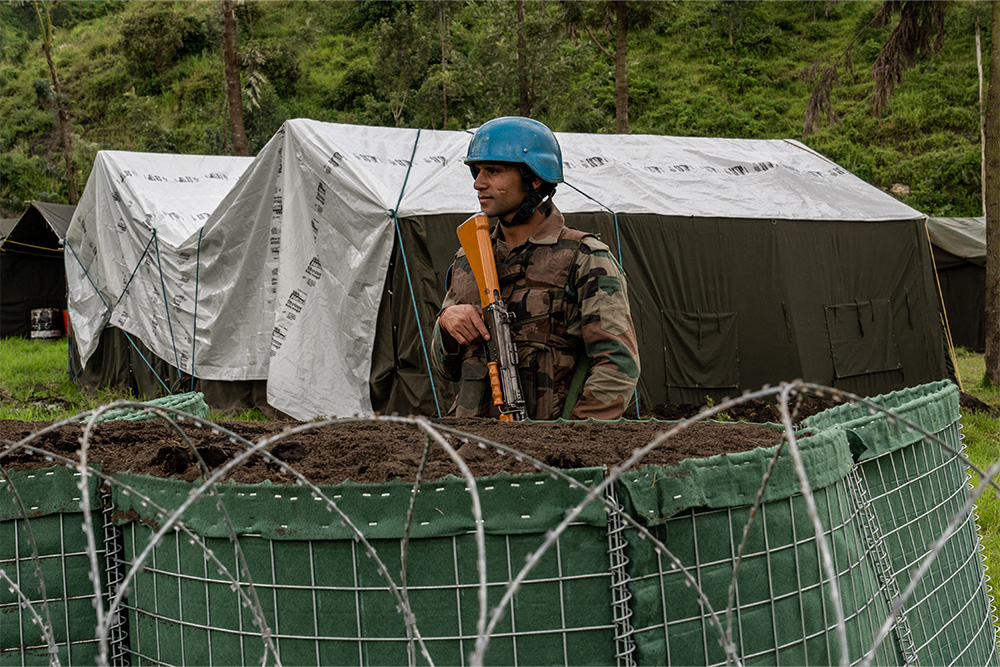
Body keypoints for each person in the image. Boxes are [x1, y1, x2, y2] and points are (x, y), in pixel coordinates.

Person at [431, 116, 640, 420]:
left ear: (534, 178)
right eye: (477, 172)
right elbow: (444, 369)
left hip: (548, 450)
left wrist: (568, 445)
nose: (479, 183)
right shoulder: (468, 259)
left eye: (494, 171)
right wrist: (447, 326)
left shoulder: (585, 258)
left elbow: (618, 365)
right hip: (471, 448)